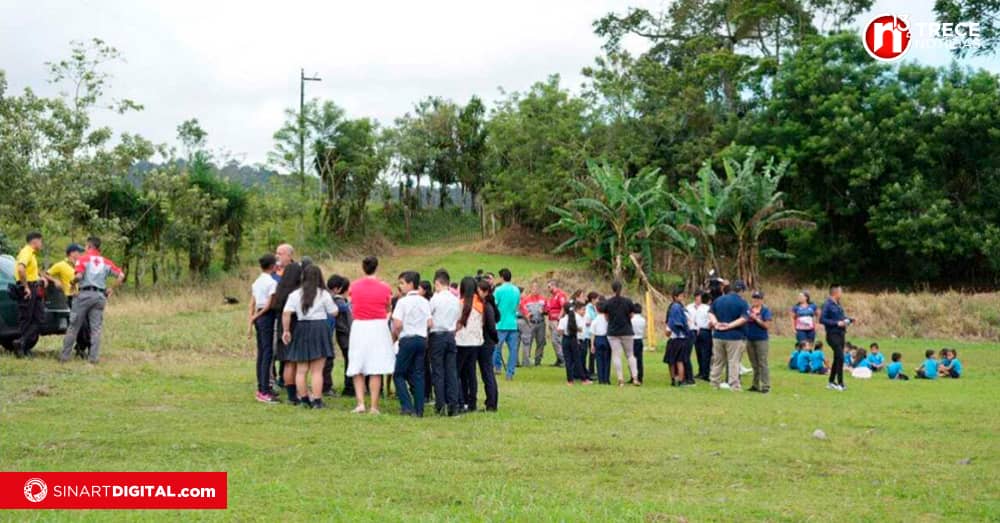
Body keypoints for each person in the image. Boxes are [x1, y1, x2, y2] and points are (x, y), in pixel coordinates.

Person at [58, 236, 125, 364]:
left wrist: (72, 284)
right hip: (99, 296)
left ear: (89, 246)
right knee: (96, 329)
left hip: (84, 295)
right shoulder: (106, 262)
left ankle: (64, 357)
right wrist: (111, 288)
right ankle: (93, 358)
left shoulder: (82, 259)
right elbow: (121, 275)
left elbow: (78, 275)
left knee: (73, 326)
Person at [281, 264, 337, 409]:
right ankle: (317, 401)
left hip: (301, 327)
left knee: (301, 369)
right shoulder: (323, 294)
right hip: (319, 328)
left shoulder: (295, 294)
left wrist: (286, 330)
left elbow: (286, 313)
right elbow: (334, 312)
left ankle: (304, 399)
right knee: (317, 370)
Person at [346, 256, 395, 414]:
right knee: (376, 366)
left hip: (360, 325)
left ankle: (360, 402)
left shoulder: (354, 286)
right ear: (376, 267)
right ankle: (374, 405)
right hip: (378, 326)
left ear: (363, 268)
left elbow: (351, 303)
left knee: (358, 364)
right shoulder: (385, 287)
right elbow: (388, 306)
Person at [391, 271, 431, 417]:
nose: (400, 286)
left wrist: (397, 333)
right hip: (421, 340)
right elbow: (430, 322)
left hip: (407, 339)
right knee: (418, 374)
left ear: (410, 284)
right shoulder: (425, 301)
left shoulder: (402, 302)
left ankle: (407, 405)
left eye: (402, 283)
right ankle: (419, 409)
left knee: (398, 374)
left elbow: (397, 323)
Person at [13, 232, 58, 357]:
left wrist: (40, 278)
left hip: (34, 287)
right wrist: (26, 286)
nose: (41, 244)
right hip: (27, 288)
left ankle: (22, 343)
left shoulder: (31, 254)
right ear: (35, 241)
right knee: (26, 319)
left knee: (39, 319)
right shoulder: (26, 251)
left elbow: (30, 271)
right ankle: (22, 348)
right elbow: (21, 269)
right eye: (41, 241)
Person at [429, 269, 461, 416]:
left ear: (437, 283)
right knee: (451, 372)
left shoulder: (436, 299)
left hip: (437, 335)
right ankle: (453, 405)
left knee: (438, 371)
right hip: (450, 335)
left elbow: (428, 317)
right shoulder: (455, 300)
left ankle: (440, 404)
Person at [271, 244, 303, 395]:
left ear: (290, 255)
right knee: (285, 355)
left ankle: (290, 387)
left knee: (289, 357)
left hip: (290, 319)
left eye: (281, 253)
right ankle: (278, 382)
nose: (278, 256)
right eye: (276, 253)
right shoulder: (272, 273)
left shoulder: (295, 271)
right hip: (282, 319)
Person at [49, 243, 90, 358]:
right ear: (72, 253)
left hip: (84, 296)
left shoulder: (81, 265)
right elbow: (45, 273)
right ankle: (80, 348)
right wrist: (55, 281)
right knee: (80, 324)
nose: (81, 254)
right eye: (79, 252)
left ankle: (81, 347)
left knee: (87, 323)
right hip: (71, 297)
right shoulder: (61, 265)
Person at [708, 280, 750, 391]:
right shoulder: (742, 302)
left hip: (718, 335)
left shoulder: (718, 300)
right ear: (741, 291)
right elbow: (744, 318)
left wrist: (716, 324)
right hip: (734, 336)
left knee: (718, 360)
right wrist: (730, 325)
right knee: (733, 361)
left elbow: (710, 312)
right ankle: (734, 385)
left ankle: (714, 383)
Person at [248, 254, 279, 403]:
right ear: (273, 266)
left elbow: (253, 303)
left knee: (262, 353)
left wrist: (253, 318)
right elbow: (269, 304)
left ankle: (261, 387)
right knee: (267, 353)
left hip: (259, 317)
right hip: (266, 316)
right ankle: (264, 391)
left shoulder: (257, 282)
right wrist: (258, 315)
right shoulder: (271, 282)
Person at [455, 277, 485, 412]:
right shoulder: (480, 302)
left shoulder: (461, 303)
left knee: (457, 373)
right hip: (476, 342)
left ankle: (461, 401)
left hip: (461, 342)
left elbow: (457, 323)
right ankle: (472, 403)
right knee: (471, 373)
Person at [605, 280, 639, 387]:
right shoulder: (627, 301)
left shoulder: (608, 302)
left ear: (612, 289)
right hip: (626, 331)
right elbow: (632, 314)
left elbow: (606, 317)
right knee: (630, 355)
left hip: (613, 332)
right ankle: (635, 378)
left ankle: (620, 379)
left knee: (616, 355)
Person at [327, 275, 354, 397]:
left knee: (349, 360)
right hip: (346, 335)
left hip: (344, 335)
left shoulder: (339, 301)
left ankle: (349, 386)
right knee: (350, 361)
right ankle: (349, 387)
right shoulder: (340, 302)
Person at [820, 284, 851, 392]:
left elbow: (841, 318)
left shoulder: (838, 304)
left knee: (837, 358)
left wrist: (849, 320)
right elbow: (822, 319)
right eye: (841, 292)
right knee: (841, 357)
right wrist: (837, 323)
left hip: (841, 334)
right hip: (832, 335)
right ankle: (840, 383)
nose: (841, 294)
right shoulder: (827, 304)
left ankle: (831, 382)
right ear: (835, 293)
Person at [492, 268, 521, 381]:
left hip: (500, 323)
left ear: (502, 277)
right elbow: (517, 305)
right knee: (513, 350)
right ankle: (510, 373)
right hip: (513, 323)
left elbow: (494, 305)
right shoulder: (516, 290)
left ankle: (496, 367)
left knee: (496, 348)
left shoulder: (498, 290)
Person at [476, 279, 500, 411]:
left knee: (487, 373)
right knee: (486, 372)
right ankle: (490, 401)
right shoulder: (486, 305)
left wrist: (494, 338)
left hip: (486, 343)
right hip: (486, 342)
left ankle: (491, 403)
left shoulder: (487, 306)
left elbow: (491, 326)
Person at [746, 290, 773, 394]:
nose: (755, 300)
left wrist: (756, 319)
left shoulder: (765, 311)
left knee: (762, 362)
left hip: (761, 339)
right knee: (754, 363)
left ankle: (765, 385)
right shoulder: (748, 310)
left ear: (761, 300)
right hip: (749, 338)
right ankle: (755, 384)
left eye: (758, 298)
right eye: (754, 298)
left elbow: (767, 325)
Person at [557, 301, 590, 385]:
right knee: (577, 359)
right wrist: (574, 329)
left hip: (566, 339)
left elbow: (559, 332)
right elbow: (581, 329)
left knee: (568, 360)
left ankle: (570, 381)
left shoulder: (563, 319)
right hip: (574, 339)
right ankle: (583, 379)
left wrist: (565, 330)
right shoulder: (577, 317)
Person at [664, 287, 691, 387]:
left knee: (672, 361)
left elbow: (668, 328)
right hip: (682, 338)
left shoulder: (673, 308)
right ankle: (680, 380)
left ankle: (673, 380)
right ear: (675, 297)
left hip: (674, 338)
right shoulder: (682, 309)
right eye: (681, 295)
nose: (682, 297)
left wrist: (668, 331)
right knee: (680, 361)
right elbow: (688, 322)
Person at [518, 283, 547, 367]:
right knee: (528, 341)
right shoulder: (526, 299)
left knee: (541, 342)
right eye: (534, 288)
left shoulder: (543, 299)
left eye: (537, 288)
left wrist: (544, 311)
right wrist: (527, 313)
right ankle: (527, 360)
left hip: (541, 323)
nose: (536, 290)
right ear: (531, 289)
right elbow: (522, 308)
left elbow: (547, 309)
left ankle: (538, 360)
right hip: (530, 323)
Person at [687, 292, 712, 381]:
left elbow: (710, 319)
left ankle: (706, 372)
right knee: (698, 352)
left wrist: (709, 326)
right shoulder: (690, 307)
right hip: (694, 330)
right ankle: (701, 371)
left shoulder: (707, 308)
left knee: (706, 352)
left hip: (704, 330)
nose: (698, 299)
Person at [544, 280, 568, 367]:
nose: (548, 289)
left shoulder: (560, 295)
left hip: (556, 321)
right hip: (551, 320)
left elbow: (564, 307)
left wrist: (559, 318)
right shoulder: (552, 296)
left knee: (556, 340)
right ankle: (559, 359)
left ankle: (563, 359)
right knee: (554, 341)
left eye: (549, 286)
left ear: (554, 286)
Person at [591, 299, 611, 385]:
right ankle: (606, 379)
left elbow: (592, 333)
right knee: (607, 359)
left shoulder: (595, 320)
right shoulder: (608, 319)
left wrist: (592, 345)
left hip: (598, 339)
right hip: (606, 339)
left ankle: (601, 379)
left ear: (597, 309)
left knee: (599, 360)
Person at [584, 292, 600, 379]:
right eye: (597, 299)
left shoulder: (594, 307)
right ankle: (591, 371)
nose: (598, 300)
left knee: (593, 353)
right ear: (593, 299)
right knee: (592, 353)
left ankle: (592, 370)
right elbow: (587, 320)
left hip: (594, 332)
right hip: (589, 333)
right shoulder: (588, 308)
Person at [631, 302, 646, 385]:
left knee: (632, 359)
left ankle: (633, 376)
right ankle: (640, 377)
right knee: (639, 359)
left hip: (632, 340)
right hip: (640, 339)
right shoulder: (643, 320)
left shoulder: (631, 320)